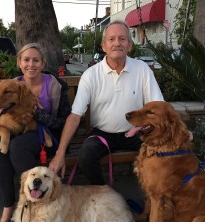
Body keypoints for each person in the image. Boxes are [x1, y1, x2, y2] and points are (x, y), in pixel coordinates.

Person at [49, 20, 164, 183]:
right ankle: (103, 194)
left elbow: (159, 107)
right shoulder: (90, 75)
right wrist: (60, 153)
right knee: (86, 156)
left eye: (122, 39)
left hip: (136, 132)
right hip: (102, 133)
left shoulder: (142, 69)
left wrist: (179, 131)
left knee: (161, 152)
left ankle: (153, 198)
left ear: (129, 45)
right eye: (111, 39)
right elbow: (75, 117)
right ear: (103, 46)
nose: (117, 43)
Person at [0, 43, 71, 222]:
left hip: (48, 137)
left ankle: (33, 202)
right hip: (19, 133)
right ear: (20, 63)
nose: (31, 64)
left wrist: (38, 114)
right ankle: (8, 206)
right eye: (26, 60)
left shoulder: (56, 85)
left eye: (36, 60)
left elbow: (63, 122)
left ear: (42, 63)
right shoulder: (12, 84)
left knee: (17, 148)